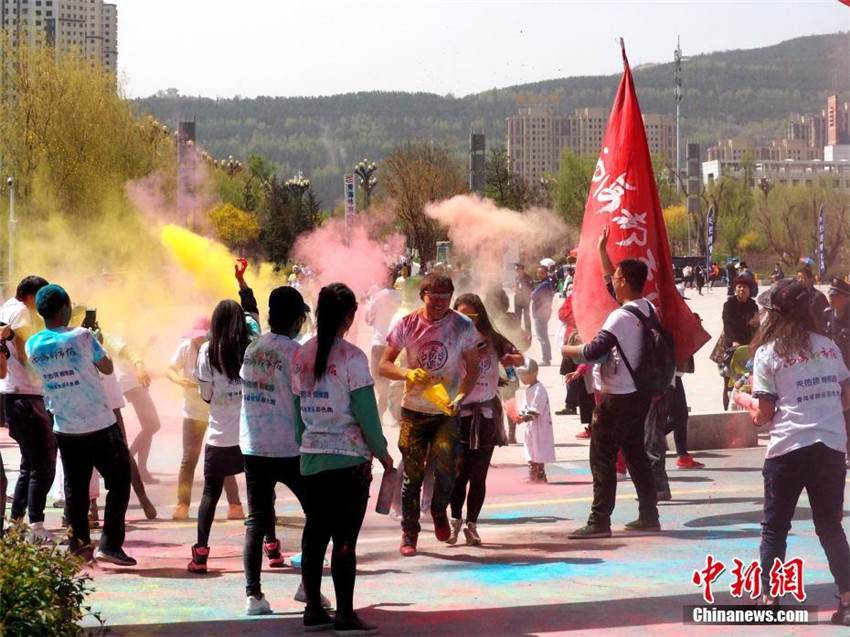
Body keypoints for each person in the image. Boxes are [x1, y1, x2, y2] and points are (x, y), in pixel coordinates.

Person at [292, 282, 393, 635]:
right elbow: (367, 414)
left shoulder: (301, 355)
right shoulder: (353, 358)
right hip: (349, 461)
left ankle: (313, 611)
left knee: (315, 535)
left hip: (311, 458)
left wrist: (306, 444)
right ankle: (346, 616)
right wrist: (383, 454)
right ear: (350, 316)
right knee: (345, 539)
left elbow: (297, 413)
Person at [748, 279, 850, 625]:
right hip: (830, 446)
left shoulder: (768, 354)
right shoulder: (828, 347)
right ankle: (848, 602)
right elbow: (846, 395)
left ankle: (770, 600)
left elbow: (763, 414)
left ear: (775, 315)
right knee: (831, 528)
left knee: (775, 529)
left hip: (788, 449)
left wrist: (745, 403)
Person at [26, 284, 135, 565]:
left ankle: (79, 546)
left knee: (76, 489)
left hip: (65, 426)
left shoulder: (32, 344)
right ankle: (110, 545)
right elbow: (107, 367)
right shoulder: (83, 337)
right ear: (65, 308)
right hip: (99, 424)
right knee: (119, 481)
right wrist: (98, 341)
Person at [562, 227, 660, 539]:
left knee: (601, 456)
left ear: (624, 282)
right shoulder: (647, 308)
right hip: (638, 395)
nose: (612, 280)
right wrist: (602, 250)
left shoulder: (619, 318)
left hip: (616, 399)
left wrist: (568, 350)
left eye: (616, 277)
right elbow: (610, 284)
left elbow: (593, 351)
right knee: (635, 454)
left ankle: (599, 520)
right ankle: (649, 515)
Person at [379, 273, 479, 557]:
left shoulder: (463, 326)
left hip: (447, 412)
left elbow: (472, 369)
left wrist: (459, 398)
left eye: (446, 297)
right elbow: (384, 365)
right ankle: (409, 532)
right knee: (412, 474)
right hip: (413, 411)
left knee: (447, 471)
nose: (440, 302)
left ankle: (438, 510)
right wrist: (407, 373)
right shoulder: (407, 324)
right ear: (422, 296)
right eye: (433, 297)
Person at [241, 286, 312, 615]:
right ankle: (309, 588)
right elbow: (305, 398)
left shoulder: (253, 347)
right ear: (297, 319)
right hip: (290, 446)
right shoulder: (296, 352)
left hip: (255, 445)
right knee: (318, 516)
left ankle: (253, 596)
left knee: (256, 521)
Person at [448, 293, 523, 545]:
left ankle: (472, 525)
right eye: (462, 316)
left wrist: (513, 360)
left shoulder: (493, 339)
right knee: (459, 474)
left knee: (479, 476)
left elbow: (519, 359)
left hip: (487, 415)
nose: (468, 320)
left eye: (472, 315)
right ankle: (454, 521)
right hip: (459, 415)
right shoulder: (450, 338)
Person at [187, 300, 251, 574]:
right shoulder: (250, 348)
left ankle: (201, 555)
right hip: (250, 436)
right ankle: (272, 547)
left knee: (210, 493)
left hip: (220, 435)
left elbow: (206, 394)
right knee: (260, 493)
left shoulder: (207, 350)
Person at [167, 317, 243, 521]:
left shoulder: (218, 350)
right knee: (188, 459)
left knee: (223, 458)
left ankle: (235, 505)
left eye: (203, 337)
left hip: (216, 414)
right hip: (192, 413)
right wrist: (179, 380)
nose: (199, 340)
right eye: (196, 337)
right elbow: (170, 369)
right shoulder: (185, 348)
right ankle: (183, 505)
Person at [0, 275, 55, 543]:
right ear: (32, 296)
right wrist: (38, 371)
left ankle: (16, 524)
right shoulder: (22, 311)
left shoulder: (7, 308)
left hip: (13, 393)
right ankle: (36, 525)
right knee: (44, 462)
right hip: (26, 394)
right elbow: (23, 348)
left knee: (29, 463)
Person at [366, 273, 401, 419]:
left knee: (376, 376)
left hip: (379, 342)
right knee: (391, 377)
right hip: (395, 343)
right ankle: (386, 402)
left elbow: (369, 320)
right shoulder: (400, 296)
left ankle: (383, 400)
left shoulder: (377, 296)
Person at [514, 358, 556, 482]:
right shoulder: (529, 389)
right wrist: (520, 415)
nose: (522, 378)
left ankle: (540, 475)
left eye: (524, 375)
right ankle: (534, 474)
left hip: (540, 425)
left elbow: (536, 410)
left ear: (533, 374)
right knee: (530, 447)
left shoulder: (539, 389)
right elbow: (526, 408)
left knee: (539, 448)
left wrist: (523, 418)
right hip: (531, 426)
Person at [721, 275, 759, 409]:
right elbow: (727, 325)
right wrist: (734, 341)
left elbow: (757, 326)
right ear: (735, 288)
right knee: (729, 380)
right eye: (739, 286)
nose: (742, 289)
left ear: (750, 290)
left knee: (748, 378)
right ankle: (727, 409)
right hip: (731, 344)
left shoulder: (753, 306)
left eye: (745, 287)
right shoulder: (728, 305)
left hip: (749, 346)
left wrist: (757, 341)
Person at [530, 265, 555, 366]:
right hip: (543, 312)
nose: (539, 275)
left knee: (542, 337)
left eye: (541, 273)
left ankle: (546, 359)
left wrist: (532, 293)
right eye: (538, 273)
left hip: (540, 313)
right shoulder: (546, 283)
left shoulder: (544, 284)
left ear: (546, 273)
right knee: (543, 336)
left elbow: (533, 295)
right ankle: (546, 358)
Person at [825, 277, 850, 367]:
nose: (830, 298)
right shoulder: (826, 314)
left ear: (846, 298)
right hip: (832, 362)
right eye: (830, 295)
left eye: (835, 296)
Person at [796, 265, 829, 332]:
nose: (800, 280)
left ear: (810, 280)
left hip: (815, 332)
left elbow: (826, 317)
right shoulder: (795, 295)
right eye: (798, 278)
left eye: (803, 278)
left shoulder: (819, 296)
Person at [513, 264, 533, 334]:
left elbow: (531, 288)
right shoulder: (517, 278)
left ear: (522, 269)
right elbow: (516, 286)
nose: (516, 271)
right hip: (518, 299)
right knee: (517, 316)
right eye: (516, 269)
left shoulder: (528, 278)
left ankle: (528, 331)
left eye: (518, 269)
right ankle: (518, 331)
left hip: (525, 299)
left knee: (526, 316)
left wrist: (527, 296)